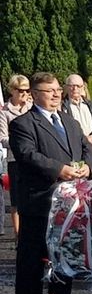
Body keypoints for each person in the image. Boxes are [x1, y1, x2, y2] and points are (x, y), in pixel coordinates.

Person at [9, 72, 92, 294]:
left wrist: (86, 168)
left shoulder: (69, 121)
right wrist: (60, 169)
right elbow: (27, 155)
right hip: (39, 202)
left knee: (65, 257)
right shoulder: (23, 124)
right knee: (32, 261)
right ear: (35, 95)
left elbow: (86, 148)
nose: (57, 94)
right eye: (49, 91)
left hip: (69, 203)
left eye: (58, 89)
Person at [1, 74, 33, 236]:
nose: (25, 94)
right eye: (21, 90)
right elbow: (3, 138)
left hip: (33, 159)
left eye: (27, 91)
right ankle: (18, 235)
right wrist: (20, 142)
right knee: (16, 200)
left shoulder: (32, 108)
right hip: (15, 160)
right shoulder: (5, 112)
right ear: (12, 90)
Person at [61, 74, 92, 151]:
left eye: (78, 86)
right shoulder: (62, 106)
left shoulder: (89, 105)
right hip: (75, 148)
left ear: (83, 87)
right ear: (67, 87)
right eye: (72, 85)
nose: (75, 88)